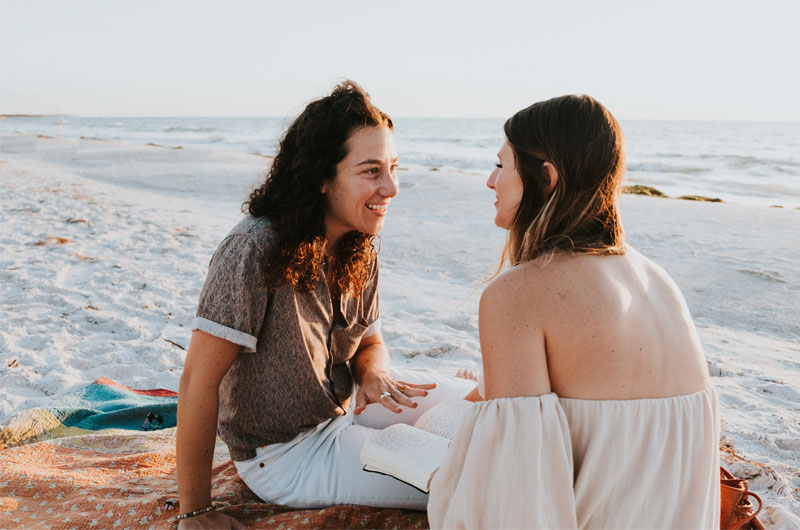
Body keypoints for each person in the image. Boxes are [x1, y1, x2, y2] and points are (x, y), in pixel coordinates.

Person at [176, 81, 473, 529]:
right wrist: (195, 511)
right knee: (475, 478)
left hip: (348, 407)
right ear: (321, 176)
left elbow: (370, 340)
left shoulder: (360, 242)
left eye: (393, 167)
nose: (390, 187)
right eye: (371, 171)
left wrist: (372, 372)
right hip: (286, 455)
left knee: (493, 401)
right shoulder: (252, 249)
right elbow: (199, 379)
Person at [428, 95, 720, 529]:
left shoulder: (519, 293)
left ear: (546, 177)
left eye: (501, 165)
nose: (491, 181)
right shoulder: (659, 281)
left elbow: (514, 498)